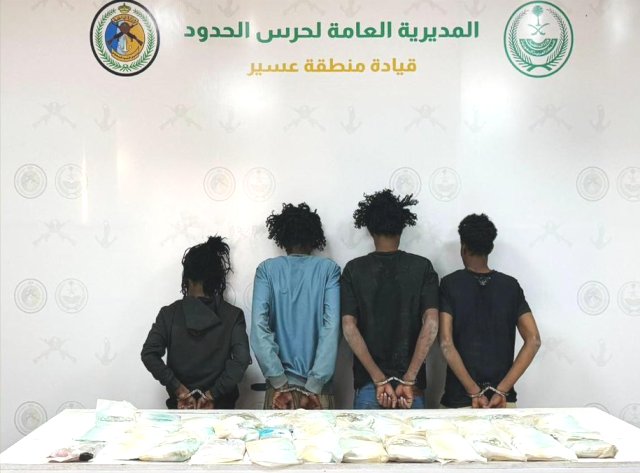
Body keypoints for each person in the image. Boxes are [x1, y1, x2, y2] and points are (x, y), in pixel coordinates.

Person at [341, 189, 439, 409]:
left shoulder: (353, 270)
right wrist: (409, 379)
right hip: (411, 389)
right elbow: (432, 323)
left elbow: (348, 327)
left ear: (369, 229)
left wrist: (379, 379)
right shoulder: (422, 267)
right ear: (402, 227)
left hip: (370, 386)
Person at [439, 214, 542, 408]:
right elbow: (534, 340)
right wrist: (501, 390)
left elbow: (445, 343)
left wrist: (473, 391)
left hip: (460, 402)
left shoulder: (449, 284)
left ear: (463, 247)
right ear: (490, 248)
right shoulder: (511, 286)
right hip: (501, 403)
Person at [141, 236, 250, 409]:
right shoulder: (233, 315)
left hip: (181, 408)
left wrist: (179, 390)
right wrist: (213, 394)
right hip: (221, 411)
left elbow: (149, 354)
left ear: (187, 279)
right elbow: (241, 360)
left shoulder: (168, 314)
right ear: (216, 280)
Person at [251, 203, 341, 410]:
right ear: (314, 237)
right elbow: (332, 327)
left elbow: (258, 326)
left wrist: (279, 382)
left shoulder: (266, 270)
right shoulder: (329, 270)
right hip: (318, 394)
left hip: (279, 395)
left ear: (282, 238)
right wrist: (315, 384)